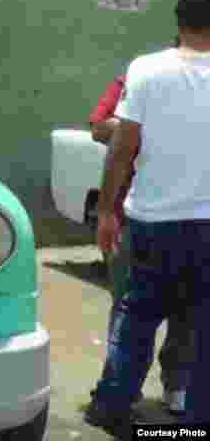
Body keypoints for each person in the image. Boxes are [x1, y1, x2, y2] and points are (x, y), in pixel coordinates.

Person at [84, 0, 210, 434]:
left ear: (177, 22)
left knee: (135, 317)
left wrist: (104, 213)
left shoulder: (146, 70)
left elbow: (122, 147)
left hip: (151, 223)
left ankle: (112, 406)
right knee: (201, 323)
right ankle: (195, 418)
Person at [87, 61, 194, 419]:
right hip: (132, 217)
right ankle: (118, 392)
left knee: (188, 312)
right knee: (128, 307)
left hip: (193, 219)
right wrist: (142, 122)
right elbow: (99, 126)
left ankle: (177, 385)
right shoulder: (134, 80)